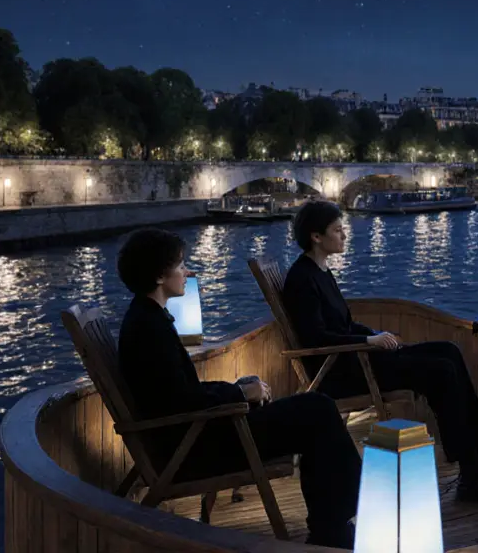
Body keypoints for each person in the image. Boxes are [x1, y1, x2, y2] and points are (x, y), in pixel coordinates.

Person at [115, 228, 361, 548]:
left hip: (198, 435)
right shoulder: (149, 329)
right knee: (318, 410)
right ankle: (335, 524)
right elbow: (179, 400)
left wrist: (238, 387)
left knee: (315, 409)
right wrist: (240, 394)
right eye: (181, 265)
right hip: (197, 448)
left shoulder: (146, 319)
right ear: (160, 276)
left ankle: (332, 524)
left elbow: (179, 391)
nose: (187, 272)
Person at [282, 201, 478, 502]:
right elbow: (316, 337)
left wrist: (376, 335)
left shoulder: (322, 272)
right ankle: (474, 471)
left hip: (357, 356)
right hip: (343, 370)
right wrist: (369, 343)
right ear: (316, 236)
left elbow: (345, 323)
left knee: (449, 351)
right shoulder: (302, 279)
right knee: (440, 371)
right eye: (337, 230)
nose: (344, 236)